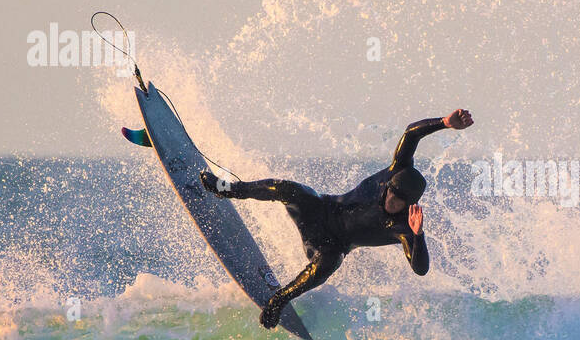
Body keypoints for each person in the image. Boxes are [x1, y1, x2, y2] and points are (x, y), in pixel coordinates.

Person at [201, 108, 474, 328]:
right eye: (392, 194)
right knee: (290, 189)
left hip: (329, 246)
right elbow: (411, 134)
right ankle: (228, 189)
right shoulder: (397, 169)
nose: (392, 202)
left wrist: (418, 235)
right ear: (390, 184)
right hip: (321, 210)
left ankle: (280, 299)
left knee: (330, 263)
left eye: (400, 202)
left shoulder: (403, 226)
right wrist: (445, 123)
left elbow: (421, 269)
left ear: (409, 204)